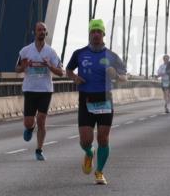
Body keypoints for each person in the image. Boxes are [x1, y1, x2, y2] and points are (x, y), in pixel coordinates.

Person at [65, 19, 127, 185]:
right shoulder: (79, 53)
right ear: (89, 34)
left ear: (104, 34)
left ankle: (99, 171)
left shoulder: (112, 56)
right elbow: (68, 70)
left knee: (103, 139)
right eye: (93, 31)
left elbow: (124, 78)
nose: (96, 34)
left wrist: (116, 76)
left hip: (105, 100)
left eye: (99, 31)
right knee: (85, 140)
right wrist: (75, 77)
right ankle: (89, 152)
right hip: (86, 99)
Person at [15, 22, 63, 160]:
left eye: (44, 30)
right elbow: (17, 69)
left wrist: (50, 66)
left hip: (45, 90)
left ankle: (39, 150)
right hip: (30, 89)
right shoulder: (25, 51)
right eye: (39, 30)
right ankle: (30, 128)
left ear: (46, 33)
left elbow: (61, 72)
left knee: (41, 120)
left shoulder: (51, 52)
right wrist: (23, 66)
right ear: (34, 32)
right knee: (29, 121)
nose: (41, 32)